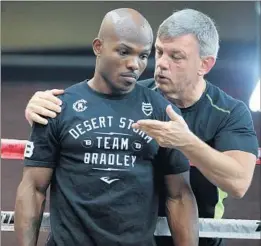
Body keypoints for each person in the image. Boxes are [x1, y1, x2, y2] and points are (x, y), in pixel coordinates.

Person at [24, 8, 259, 246]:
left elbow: (238, 182)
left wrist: (185, 141)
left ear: (204, 65)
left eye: (176, 56)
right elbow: (87, 103)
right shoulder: (135, 94)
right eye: (158, 52)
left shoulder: (229, 112)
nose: (162, 64)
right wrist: (41, 107)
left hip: (199, 237)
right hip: (137, 236)